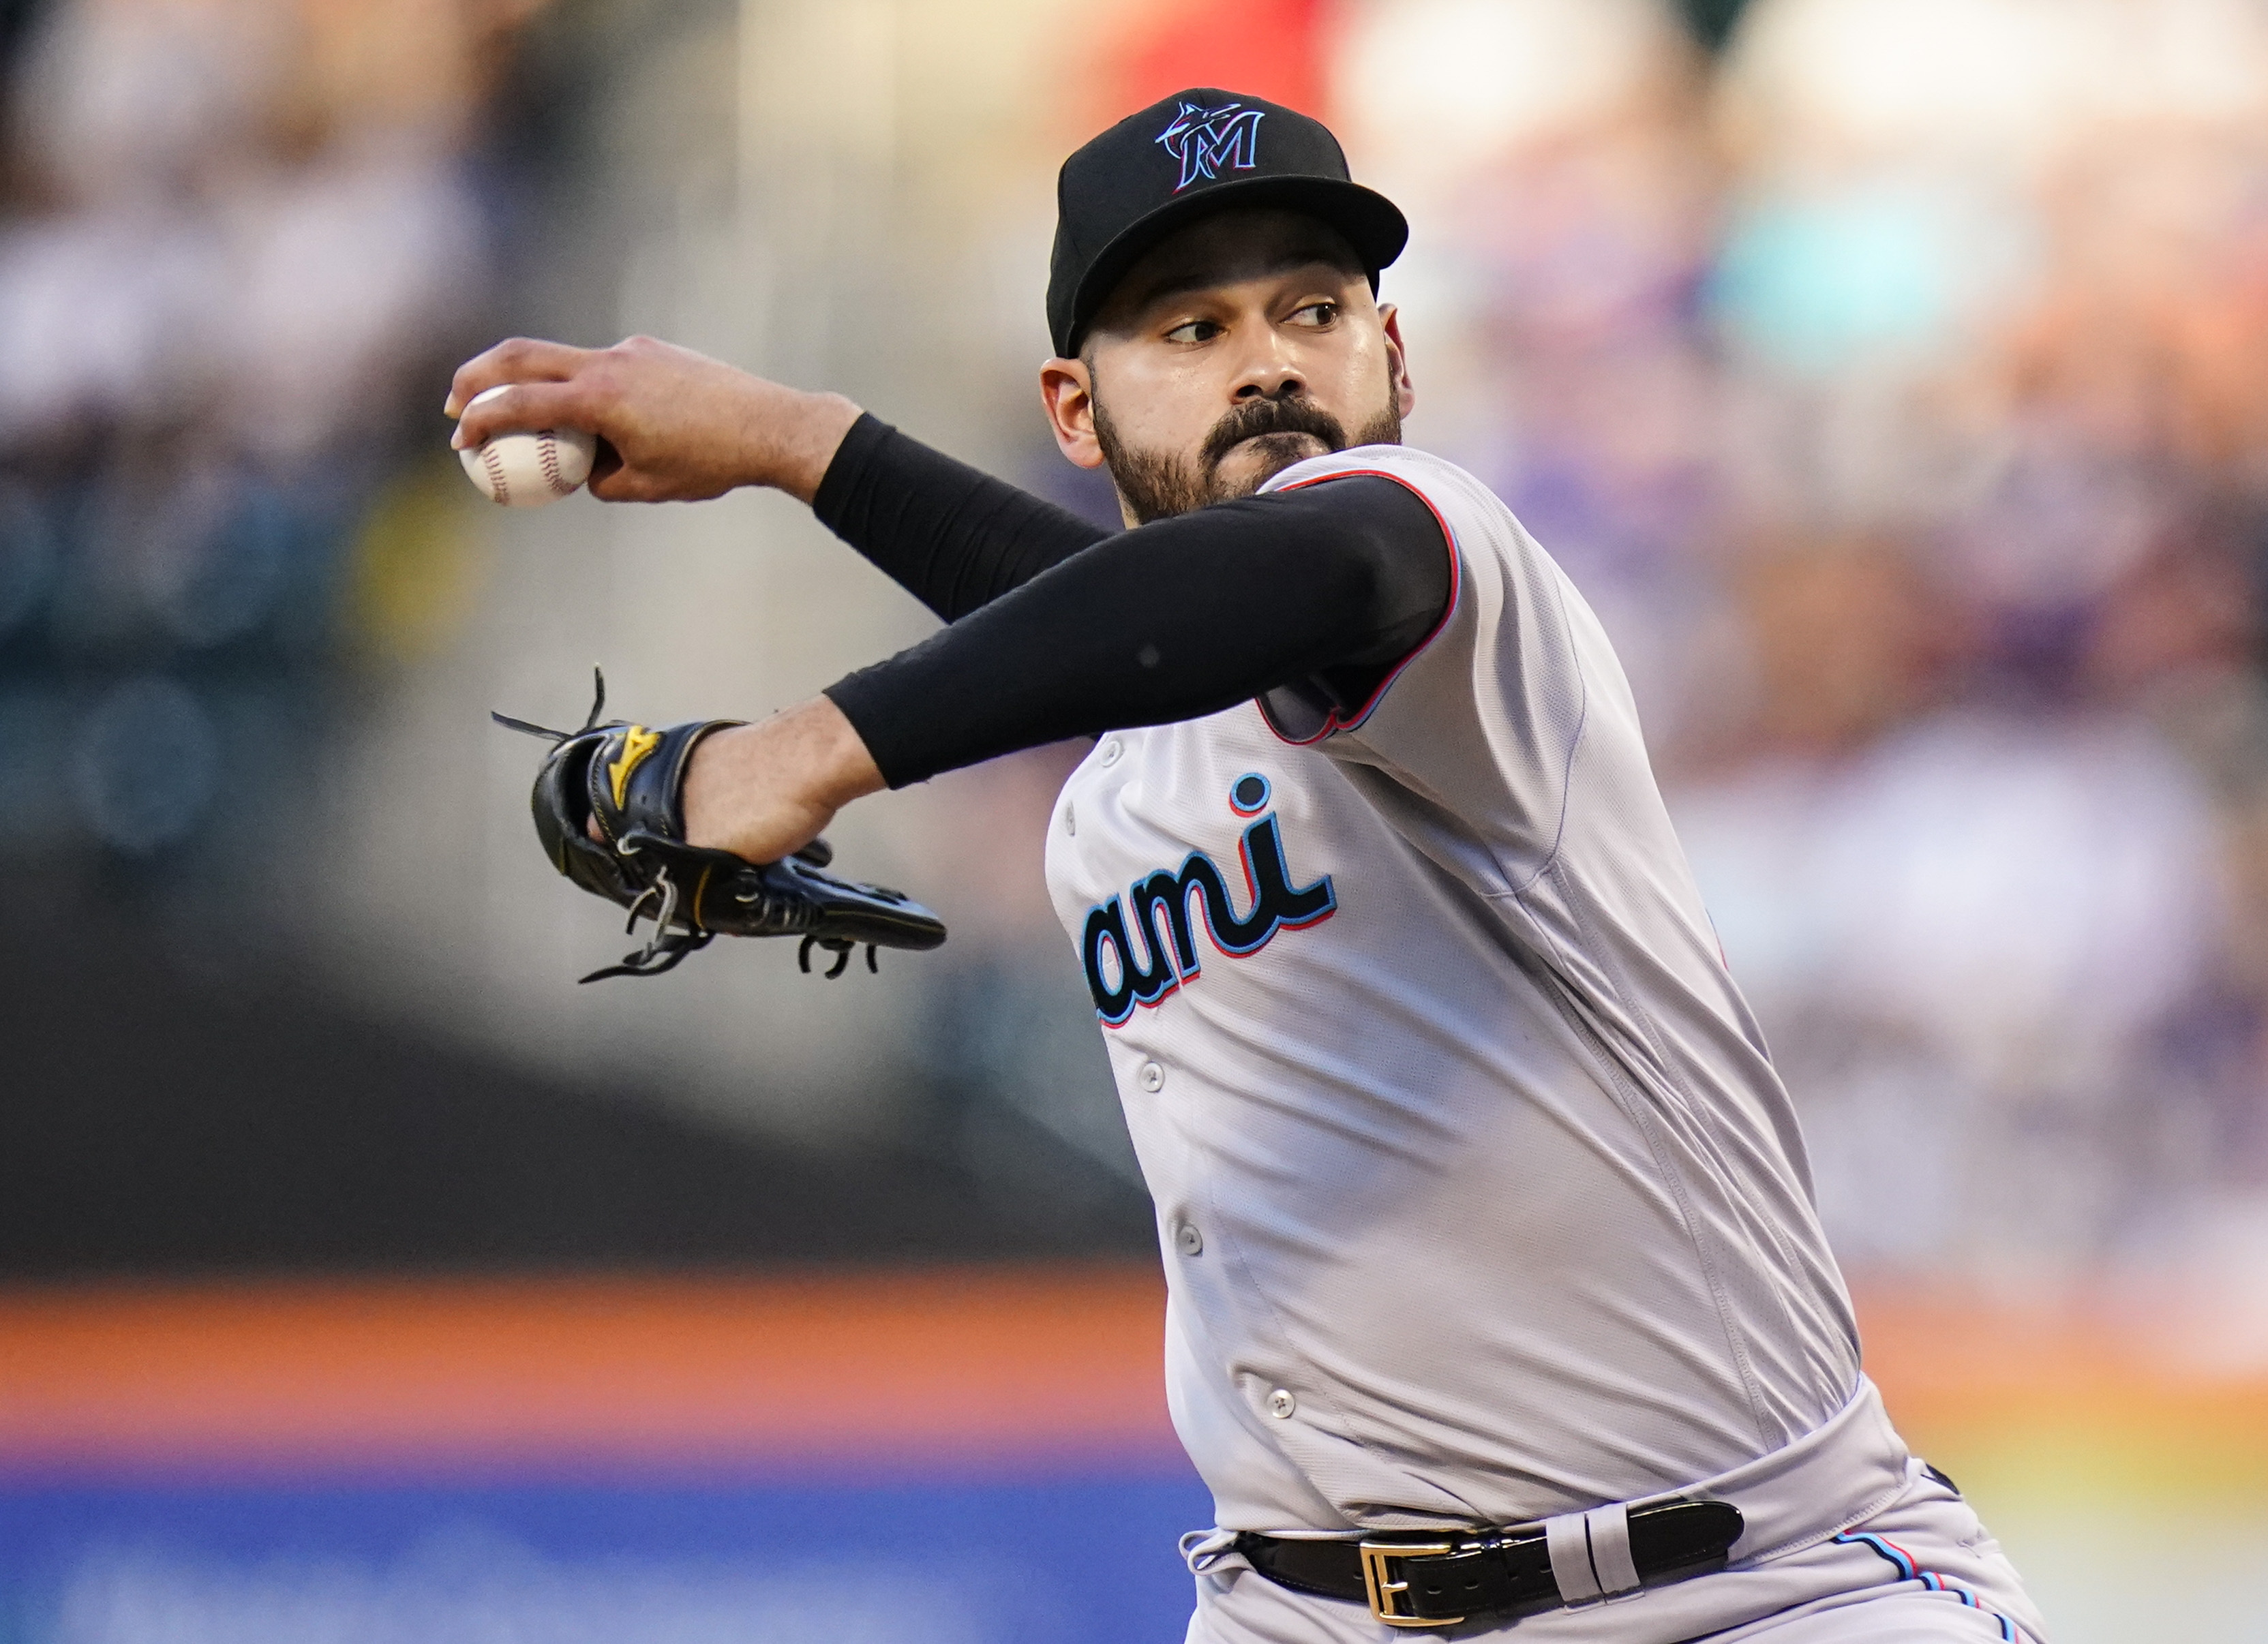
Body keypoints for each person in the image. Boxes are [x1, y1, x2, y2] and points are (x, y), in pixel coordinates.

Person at [447, 89, 2046, 1644]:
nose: (1268, 360)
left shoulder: (1447, 561)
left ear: (1395, 354)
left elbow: (1283, 579)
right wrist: (799, 442)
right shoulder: (1131, 761)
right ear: (1077, 409)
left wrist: (799, 749)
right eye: (1189, 331)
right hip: (1302, 1611)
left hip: (1748, 1590)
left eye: (1313, 309)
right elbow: (1127, 622)